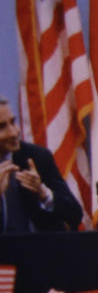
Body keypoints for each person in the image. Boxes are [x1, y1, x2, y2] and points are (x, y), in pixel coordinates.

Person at [0, 95, 82, 233]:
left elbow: (75, 215)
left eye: (13, 122)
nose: (14, 132)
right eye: (2, 127)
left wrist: (43, 193)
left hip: (41, 251)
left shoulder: (37, 157)